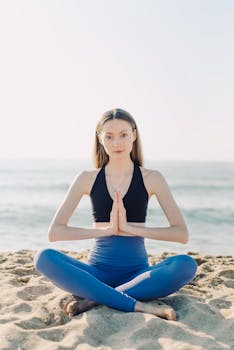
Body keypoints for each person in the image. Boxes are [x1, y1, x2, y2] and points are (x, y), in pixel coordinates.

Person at [34, 108, 197, 321]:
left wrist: (131, 229)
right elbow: (55, 232)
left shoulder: (152, 178)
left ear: (134, 135)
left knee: (186, 264)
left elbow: (181, 234)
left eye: (123, 135)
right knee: (43, 258)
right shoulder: (86, 178)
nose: (117, 142)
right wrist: (106, 230)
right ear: (100, 139)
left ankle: (97, 298)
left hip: (138, 276)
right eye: (109, 136)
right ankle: (136, 304)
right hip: (96, 274)